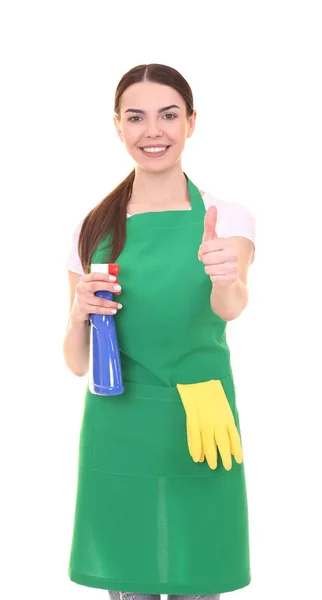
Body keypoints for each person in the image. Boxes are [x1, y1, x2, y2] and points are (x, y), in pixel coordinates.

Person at [63, 63, 256, 600]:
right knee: (130, 585)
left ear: (191, 122)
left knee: (198, 580)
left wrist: (225, 276)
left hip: (202, 416)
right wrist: (79, 312)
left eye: (169, 115)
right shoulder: (93, 228)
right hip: (118, 420)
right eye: (136, 117)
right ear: (118, 127)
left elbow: (232, 305)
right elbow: (76, 361)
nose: (153, 131)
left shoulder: (227, 217)